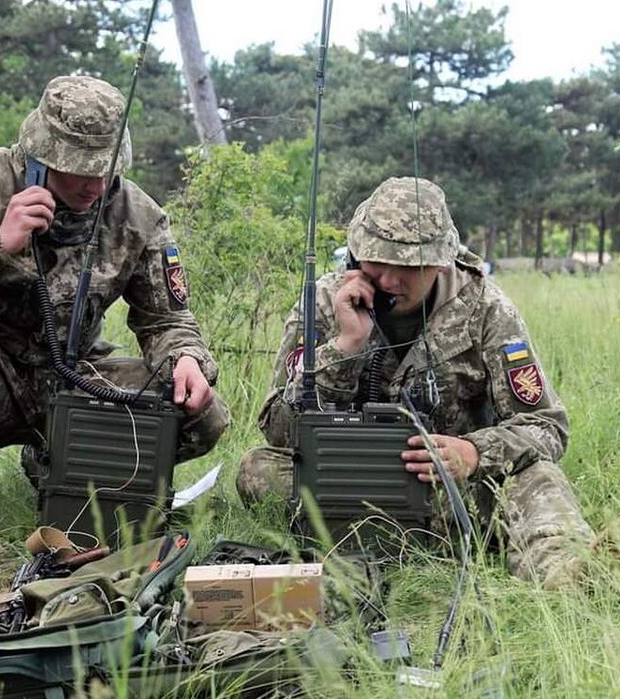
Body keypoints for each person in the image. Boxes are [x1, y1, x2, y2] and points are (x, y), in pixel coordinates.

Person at [0, 76, 230, 557]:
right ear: (44, 155)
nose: (95, 185)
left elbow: (167, 320)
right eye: (80, 170)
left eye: (105, 170)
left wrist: (185, 358)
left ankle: (63, 469)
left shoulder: (137, 215)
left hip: (74, 387)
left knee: (204, 415)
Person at [237, 176, 600, 590]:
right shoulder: (322, 304)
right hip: (350, 488)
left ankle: (569, 576)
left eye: (409, 266)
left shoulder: (486, 309)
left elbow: (547, 427)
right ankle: (370, 548)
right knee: (257, 468)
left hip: (454, 494)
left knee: (539, 476)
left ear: (442, 262)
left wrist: (474, 453)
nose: (391, 280)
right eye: (377, 262)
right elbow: (279, 431)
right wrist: (345, 346)